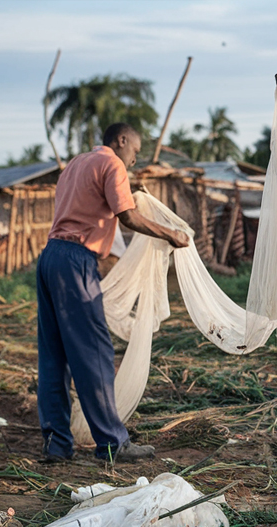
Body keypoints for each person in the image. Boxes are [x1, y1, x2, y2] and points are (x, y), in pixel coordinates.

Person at [37, 123, 190, 463]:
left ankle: (57, 444)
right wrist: (171, 234)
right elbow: (127, 216)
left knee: (53, 356)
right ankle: (111, 443)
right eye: (135, 151)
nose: (135, 160)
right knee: (94, 352)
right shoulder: (112, 164)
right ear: (121, 141)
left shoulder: (77, 163)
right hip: (76, 261)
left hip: (49, 258)